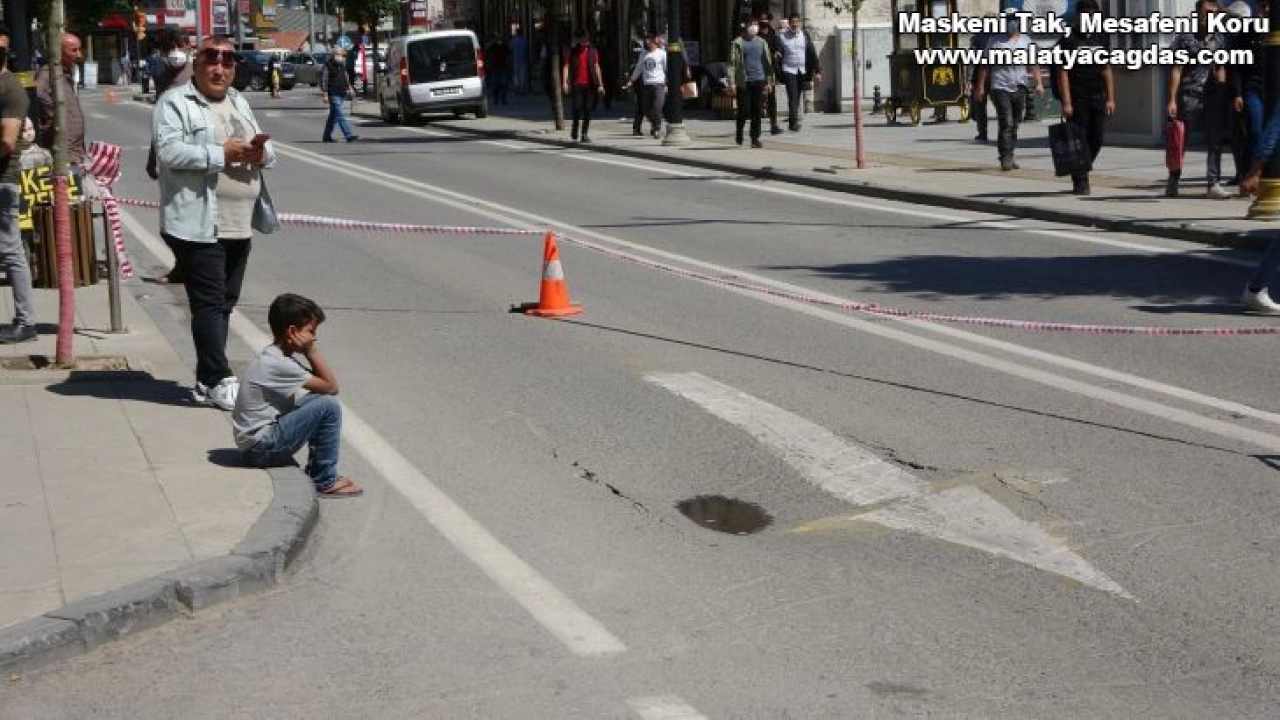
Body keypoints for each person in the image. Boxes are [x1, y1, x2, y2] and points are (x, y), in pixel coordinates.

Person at [153, 35, 280, 410]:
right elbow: (169, 152)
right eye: (211, 59)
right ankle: (218, 378)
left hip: (239, 221)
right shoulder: (175, 102)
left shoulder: (238, 101)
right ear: (196, 64)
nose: (220, 68)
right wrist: (220, 153)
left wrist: (259, 154)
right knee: (208, 302)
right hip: (198, 221)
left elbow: (271, 153)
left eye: (227, 61)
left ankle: (206, 381)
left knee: (224, 302)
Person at [233, 293, 362, 498]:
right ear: (292, 332)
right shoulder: (279, 364)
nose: (314, 338)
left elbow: (322, 385)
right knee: (328, 406)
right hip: (260, 448)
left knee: (319, 400)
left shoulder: (275, 356)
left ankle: (318, 472)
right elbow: (331, 386)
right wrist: (311, 351)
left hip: (256, 445)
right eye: (311, 331)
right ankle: (323, 480)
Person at [1166, 0, 1229, 198]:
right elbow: (1176, 69)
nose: (1212, 16)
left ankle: (1213, 184)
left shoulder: (1219, 38)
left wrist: (1222, 81)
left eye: (1215, 13)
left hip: (1213, 96)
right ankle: (1173, 179)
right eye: (1208, 12)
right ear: (1198, 13)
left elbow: (1221, 67)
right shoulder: (1186, 37)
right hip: (1189, 94)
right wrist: (1172, 99)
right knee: (1181, 140)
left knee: (1215, 141)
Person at [146, 28, 195, 283]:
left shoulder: (197, 71)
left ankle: (190, 267)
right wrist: (152, 156)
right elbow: (159, 120)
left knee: (189, 216)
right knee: (171, 220)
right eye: (170, 48)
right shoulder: (162, 73)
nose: (176, 52)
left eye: (180, 46)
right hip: (170, 152)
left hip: (194, 151)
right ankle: (183, 266)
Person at [1055, 0, 1115, 196]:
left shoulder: (1101, 36)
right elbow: (1063, 72)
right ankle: (1080, 180)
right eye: (1086, 14)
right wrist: (1066, 102)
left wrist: (1110, 98)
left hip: (1097, 96)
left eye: (1093, 14)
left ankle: (1081, 167)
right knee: (1079, 139)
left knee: (1097, 138)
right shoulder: (1069, 38)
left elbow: (1106, 68)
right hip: (1077, 98)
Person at [0, 25, 35, 345]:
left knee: (11, 250)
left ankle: (26, 322)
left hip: (3, 182)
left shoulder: (10, 90)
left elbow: (7, 141)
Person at [973, 11, 1043, 171]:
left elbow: (1033, 64)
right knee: (1007, 121)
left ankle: (1010, 153)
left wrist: (1038, 83)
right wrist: (980, 87)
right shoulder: (995, 41)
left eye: (1014, 20)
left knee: (1015, 122)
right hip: (1000, 86)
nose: (1012, 23)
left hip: (1020, 85)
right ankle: (1005, 156)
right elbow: (985, 66)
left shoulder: (1026, 41)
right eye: (1009, 20)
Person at [36, 33, 86, 166]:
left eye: (79, 50)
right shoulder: (48, 72)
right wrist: (55, 114)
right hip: (64, 151)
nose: (79, 55)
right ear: (59, 52)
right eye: (74, 50)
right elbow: (38, 93)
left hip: (75, 150)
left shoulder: (65, 73)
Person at [729, 20, 775, 149]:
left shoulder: (762, 42)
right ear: (746, 26)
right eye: (751, 25)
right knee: (743, 110)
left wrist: (769, 81)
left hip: (759, 79)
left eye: (756, 25)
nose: (754, 27)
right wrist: (732, 82)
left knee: (757, 110)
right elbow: (732, 64)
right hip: (744, 81)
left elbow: (767, 62)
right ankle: (739, 132)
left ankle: (755, 138)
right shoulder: (737, 43)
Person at [777, 13, 820, 133]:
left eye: (797, 22)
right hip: (789, 70)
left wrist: (817, 71)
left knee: (797, 96)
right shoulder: (782, 37)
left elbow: (812, 53)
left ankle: (793, 120)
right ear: (789, 23)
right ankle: (793, 122)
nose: (795, 24)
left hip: (801, 70)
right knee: (792, 96)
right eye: (792, 22)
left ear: (800, 23)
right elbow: (778, 52)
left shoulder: (805, 35)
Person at [563, 30, 604, 143]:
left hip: (590, 84)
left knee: (588, 110)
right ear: (578, 40)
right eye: (582, 39)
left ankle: (584, 134)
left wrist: (600, 84)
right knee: (576, 108)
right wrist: (565, 83)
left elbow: (596, 67)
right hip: (577, 84)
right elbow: (566, 66)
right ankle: (575, 127)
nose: (585, 41)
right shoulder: (572, 52)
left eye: (586, 39)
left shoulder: (593, 51)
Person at [625, 35, 667, 139]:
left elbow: (666, 68)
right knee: (646, 109)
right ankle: (654, 124)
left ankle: (656, 128)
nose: (647, 44)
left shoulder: (662, 54)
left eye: (649, 42)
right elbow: (639, 68)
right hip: (646, 84)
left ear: (654, 42)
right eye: (646, 42)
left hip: (658, 84)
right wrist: (632, 80)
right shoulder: (643, 54)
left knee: (657, 107)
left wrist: (668, 83)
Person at [968, 15, 996, 142]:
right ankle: (983, 132)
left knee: (982, 106)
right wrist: (969, 79)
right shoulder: (999, 36)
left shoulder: (978, 37)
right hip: (985, 76)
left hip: (990, 76)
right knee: (981, 106)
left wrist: (969, 79)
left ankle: (983, 132)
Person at [320, 50, 357, 143]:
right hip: (333, 93)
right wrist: (325, 94)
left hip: (341, 92)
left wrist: (350, 88)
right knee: (340, 114)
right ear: (335, 55)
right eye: (341, 55)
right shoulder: (328, 65)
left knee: (333, 116)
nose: (342, 58)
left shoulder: (341, 65)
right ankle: (348, 135)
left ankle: (326, 136)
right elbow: (324, 80)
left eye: (343, 56)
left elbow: (345, 76)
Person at [757, 12, 783, 136]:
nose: (764, 21)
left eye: (766, 19)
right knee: (759, 97)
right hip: (758, 70)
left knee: (772, 97)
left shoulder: (773, 35)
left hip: (770, 70)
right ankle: (757, 124)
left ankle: (774, 124)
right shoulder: (756, 36)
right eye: (762, 19)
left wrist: (777, 54)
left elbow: (778, 49)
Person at [486, 32, 510, 105]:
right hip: (495, 67)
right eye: (496, 37)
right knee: (495, 84)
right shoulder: (493, 45)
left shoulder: (504, 44)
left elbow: (508, 53)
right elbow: (487, 48)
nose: (498, 39)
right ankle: (496, 99)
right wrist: (494, 41)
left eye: (499, 37)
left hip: (502, 66)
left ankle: (503, 99)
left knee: (503, 83)